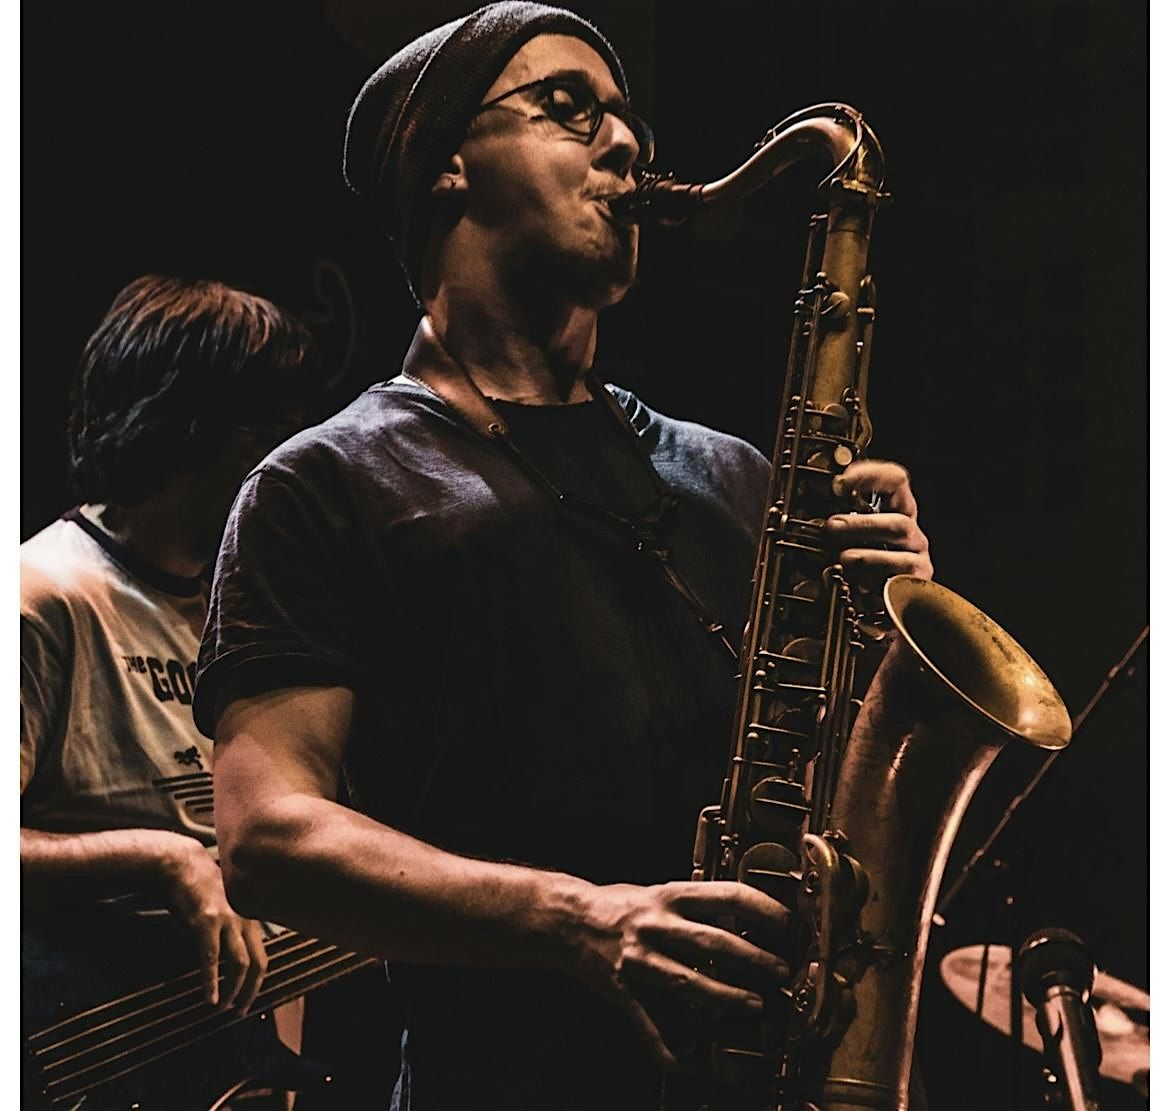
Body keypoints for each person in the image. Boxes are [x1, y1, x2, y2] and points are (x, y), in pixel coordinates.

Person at [196, 5, 932, 1109]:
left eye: (628, 118)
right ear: (445, 163)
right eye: (567, 107)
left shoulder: (736, 475)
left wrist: (891, 622)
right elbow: (266, 837)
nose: (625, 142)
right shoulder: (324, 483)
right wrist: (580, 921)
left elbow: (841, 793)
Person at [21, 275, 326, 1102]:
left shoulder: (244, 614)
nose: (285, 458)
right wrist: (164, 859)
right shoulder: (42, 595)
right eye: (267, 426)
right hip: (84, 1047)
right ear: (192, 427)